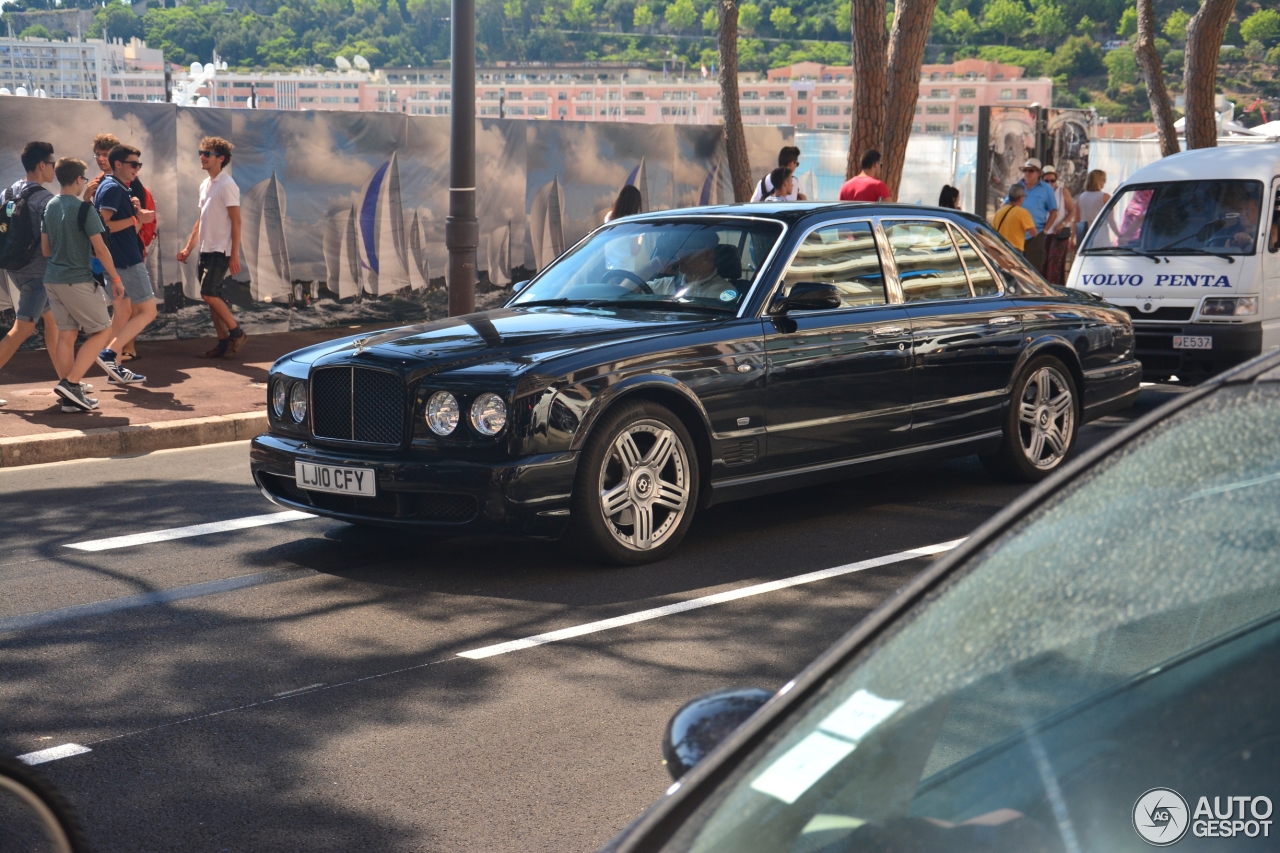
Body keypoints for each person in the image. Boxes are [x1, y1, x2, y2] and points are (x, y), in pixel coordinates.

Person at [41, 157, 123, 412]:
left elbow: (46, 250)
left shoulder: (50, 206)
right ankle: (71, 383)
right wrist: (116, 279)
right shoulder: (85, 209)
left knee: (67, 335)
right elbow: (100, 249)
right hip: (77, 279)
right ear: (78, 180)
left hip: (53, 279)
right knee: (103, 331)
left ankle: (70, 399)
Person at [0, 141, 63, 408]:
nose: (54, 169)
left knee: (53, 322)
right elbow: (55, 242)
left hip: (14, 266)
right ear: (41, 165)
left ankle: (67, 381)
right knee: (23, 328)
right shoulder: (45, 200)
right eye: (52, 164)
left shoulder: (8, 192)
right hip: (38, 274)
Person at [178, 137, 247, 359]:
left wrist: (234, 254)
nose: (202, 157)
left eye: (207, 154)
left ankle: (237, 333)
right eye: (201, 153)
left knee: (208, 294)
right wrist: (189, 248)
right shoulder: (205, 185)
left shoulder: (228, 185)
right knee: (212, 298)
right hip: (205, 250)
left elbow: (236, 221)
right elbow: (201, 220)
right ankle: (222, 342)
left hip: (221, 250)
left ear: (221, 158)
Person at [92, 143, 154, 385]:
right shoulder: (113, 188)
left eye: (139, 165)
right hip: (126, 260)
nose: (137, 169)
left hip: (117, 259)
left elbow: (119, 226)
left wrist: (137, 217)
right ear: (118, 164)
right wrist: (135, 217)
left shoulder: (115, 187)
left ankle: (114, 367)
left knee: (124, 311)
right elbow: (102, 226)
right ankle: (109, 354)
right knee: (149, 311)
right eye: (133, 164)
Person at [649, 229, 737, 301]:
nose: (678, 255)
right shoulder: (665, 283)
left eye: (686, 250)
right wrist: (650, 267)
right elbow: (635, 289)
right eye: (678, 249)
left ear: (707, 254)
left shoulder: (722, 290)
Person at [1011, 157, 1057, 272]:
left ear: (1039, 173)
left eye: (1031, 171)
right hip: (1016, 235)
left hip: (1035, 236)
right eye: (1025, 170)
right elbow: (1006, 205)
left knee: (1034, 271)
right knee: (1016, 270)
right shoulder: (1017, 186)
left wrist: (1044, 231)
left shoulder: (1046, 189)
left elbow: (1054, 212)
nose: (1027, 173)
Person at [1041, 165, 1077, 285]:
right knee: (1043, 263)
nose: (1050, 183)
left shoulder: (1062, 191)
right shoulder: (1041, 192)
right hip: (1044, 232)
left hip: (1058, 233)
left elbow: (1072, 210)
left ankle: (1054, 289)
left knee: (1054, 263)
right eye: (1047, 181)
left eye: (1052, 180)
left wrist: (1062, 224)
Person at [992, 184, 1037, 253]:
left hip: (999, 249)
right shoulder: (1022, 213)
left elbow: (993, 231)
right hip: (1014, 251)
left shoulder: (999, 212)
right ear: (1020, 198)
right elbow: (1034, 233)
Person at [1075, 169, 1110, 245]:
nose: (1105, 182)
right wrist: (1120, 235)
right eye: (1104, 179)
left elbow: (1077, 221)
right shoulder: (1105, 197)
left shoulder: (1081, 197)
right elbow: (1111, 221)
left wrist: (1073, 238)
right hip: (1100, 235)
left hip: (1085, 236)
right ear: (1099, 181)